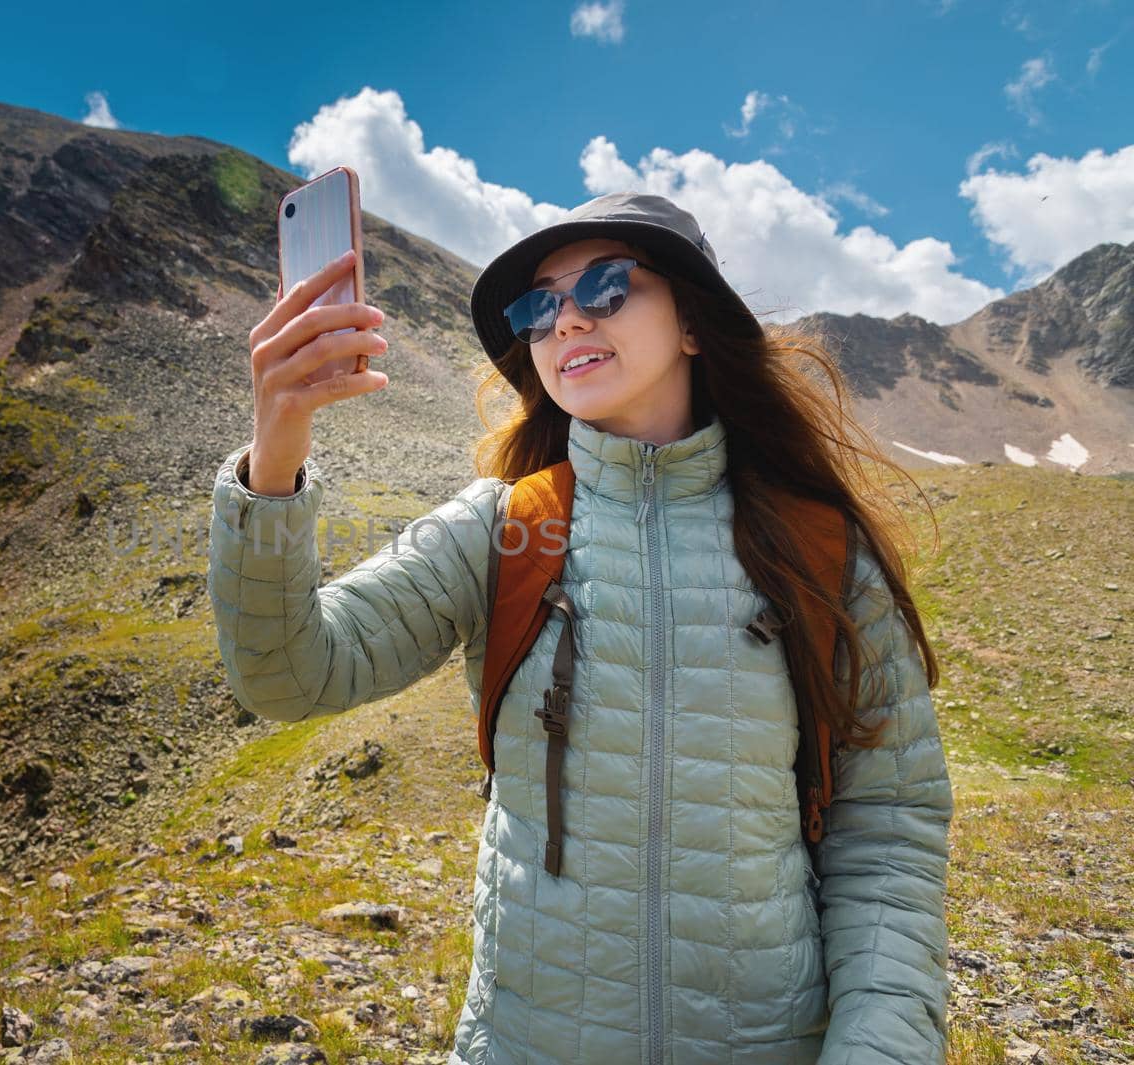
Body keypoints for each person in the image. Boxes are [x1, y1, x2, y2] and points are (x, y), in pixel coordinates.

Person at [207, 191, 952, 1064]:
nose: (564, 319)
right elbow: (289, 674)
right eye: (537, 306)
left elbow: (888, 825)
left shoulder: (816, 547)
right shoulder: (501, 530)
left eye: (604, 287)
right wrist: (276, 453)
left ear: (694, 324)